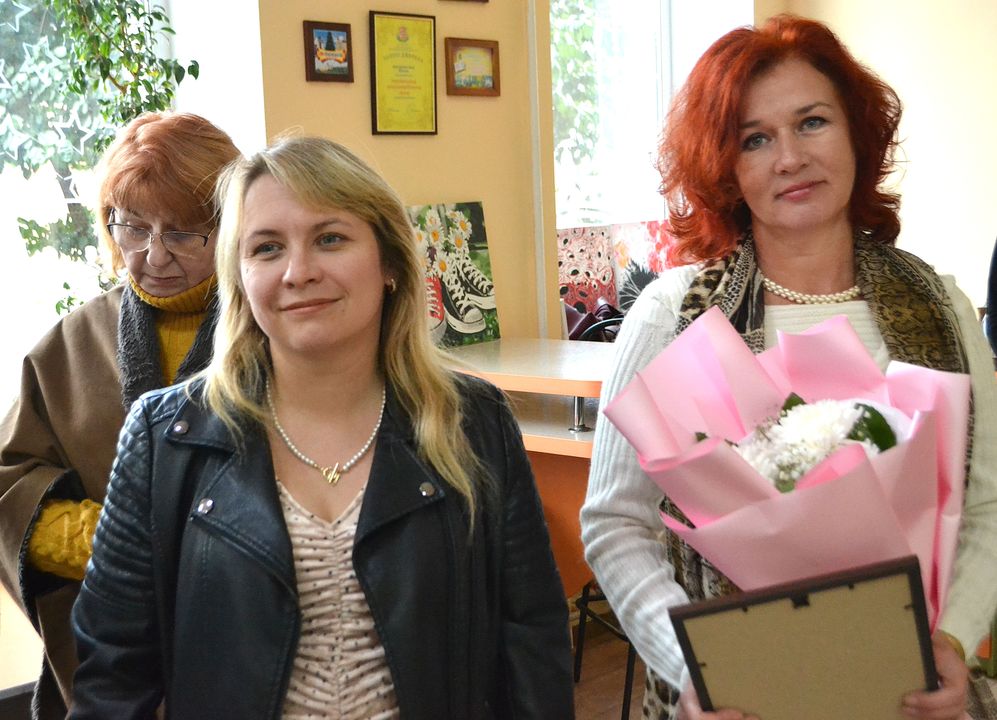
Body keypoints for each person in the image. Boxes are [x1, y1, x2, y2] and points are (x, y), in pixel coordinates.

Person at [69, 136, 574, 719]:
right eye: (266, 248)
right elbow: (111, 676)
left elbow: (532, 643)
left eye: (330, 239)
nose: (298, 272)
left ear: (389, 263)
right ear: (240, 278)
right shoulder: (166, 436)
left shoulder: (472, 421)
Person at [581, 15, 997, 720]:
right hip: (736, 696)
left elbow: (986, 505)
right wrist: (695, 666)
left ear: (856, 134)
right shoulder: (674, 314)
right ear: (726, 168)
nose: (789, 158)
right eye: (755, 139)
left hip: (912, 688)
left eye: (812, 123)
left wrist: (951, 638)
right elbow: (615, 523)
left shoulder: (940, 306)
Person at [0, 111, 239, 719]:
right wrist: (116, 546)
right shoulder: (70, 343)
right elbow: (9, 490)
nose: (154, 255)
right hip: (110, 650)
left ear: (232, 224)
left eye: (184, 233)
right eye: (132, 227)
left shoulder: (270, 331)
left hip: (247, 641)